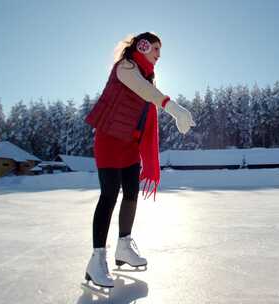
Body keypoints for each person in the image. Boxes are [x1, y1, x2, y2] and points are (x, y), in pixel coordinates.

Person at [83, 32, 196, 288]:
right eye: (155, 48)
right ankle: (96, 259)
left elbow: (147, 96)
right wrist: (174, 108)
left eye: (160, 50)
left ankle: (124, 247)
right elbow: (146, 93)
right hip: (110, 139)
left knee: (132, 194)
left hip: (130, 144)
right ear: (142, 46)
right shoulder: (125, 67)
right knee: (109, 195)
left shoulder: (148, 75)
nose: (158, 54)